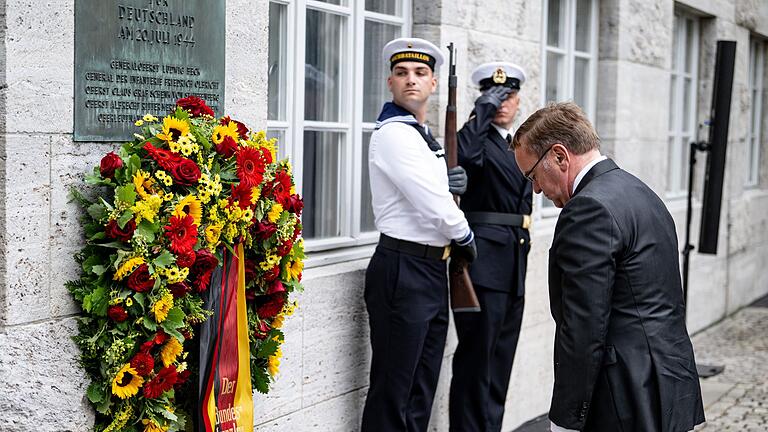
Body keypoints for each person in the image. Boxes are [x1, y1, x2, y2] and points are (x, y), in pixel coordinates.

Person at [511, 102, 705, 432]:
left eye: (532, 175)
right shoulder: (643, 193)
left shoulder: (588, 209)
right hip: (667, 382)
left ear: (560, 156)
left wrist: (567, 419)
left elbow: (584, 325)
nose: (537, 189)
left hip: (624, 395)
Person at [362, 37, 477, 432]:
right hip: (403, 268)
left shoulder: (423, 137)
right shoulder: (394, 134)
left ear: (433, 83)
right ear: (389, 82)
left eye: (421, 73)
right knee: (394, 392)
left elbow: (435, 195)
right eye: (401, 73)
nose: (411, 80)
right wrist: (464, 234)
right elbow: (433, 204)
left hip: (431, 270)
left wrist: (451, 183)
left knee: (421, 388)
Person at [449, 62, 532, 432]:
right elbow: (462, 154)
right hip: (484, 268)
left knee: (499, 367)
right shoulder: (477, 139)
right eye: (493, 96)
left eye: (508, 96)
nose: (502, 103)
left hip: (514, 265)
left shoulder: (520, 144)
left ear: (518, 100)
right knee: (475, 365)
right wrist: (481, 109)